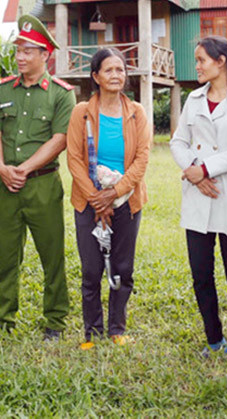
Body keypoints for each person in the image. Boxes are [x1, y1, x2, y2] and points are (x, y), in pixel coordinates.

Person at [0, 14, 76, 342]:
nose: (20, 56)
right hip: (5, 185)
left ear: (46, 55)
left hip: (43, 184)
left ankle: (55, 320)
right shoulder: (3, 89)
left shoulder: (62, 94)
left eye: (28, 50)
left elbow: (60, 138)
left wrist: (25, 168)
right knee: (6, 254)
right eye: (18, 50)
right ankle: (3, 319)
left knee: (51, 254)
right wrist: (2, 168)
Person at [170, 36, 227, 357]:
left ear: (221, 61)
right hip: (198, 195)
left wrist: (205, 170)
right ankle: (213, 338)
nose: (196, 66)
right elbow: (178, 142)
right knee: (200, 273)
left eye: (201, 60)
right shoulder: (194, 99)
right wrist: (195, 170)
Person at [66, 48, 151, 349]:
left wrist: (114, 194)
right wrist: (96, 199)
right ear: (95, 77)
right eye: (109, 70)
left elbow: (142, 158)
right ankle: (92, 331)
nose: (116, 75)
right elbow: (74, 159)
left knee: (122, 267)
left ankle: (117, 328)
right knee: (91, 269)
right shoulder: (81, 112)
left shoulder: (136, 112)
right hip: (88, 202)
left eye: (120, 70)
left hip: (127, 200)